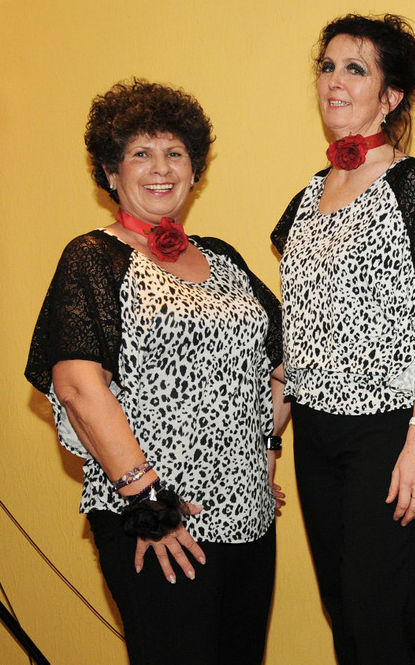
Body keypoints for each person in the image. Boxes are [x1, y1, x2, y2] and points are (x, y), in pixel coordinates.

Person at [25, 79, 287, 664]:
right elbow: (78, 386)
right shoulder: (94, 256)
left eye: (175, 152)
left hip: (247, 517)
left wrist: (266, 448)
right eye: (141, 153)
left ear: (194, 170)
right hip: (155, 521)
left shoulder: (222, 257)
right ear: (111, 172)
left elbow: (284, 361)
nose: (161, 168)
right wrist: (148, 502)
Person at [270, 14, 415, 665]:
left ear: (391, 95)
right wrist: (270, 439)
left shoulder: (414, 186)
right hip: (315, 436)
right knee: (345, 616)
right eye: (327, 67)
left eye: (356, 69)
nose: (335, 81)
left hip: (389, 432)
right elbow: (299, 336)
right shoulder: (306, 197)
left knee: (382, 625)